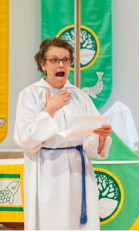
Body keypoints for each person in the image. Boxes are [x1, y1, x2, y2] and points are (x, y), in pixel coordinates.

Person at [14, 37, 113, 230]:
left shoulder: (80, 96)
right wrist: (49, 110)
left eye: (66, 60)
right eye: (55, 60)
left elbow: (90, 145)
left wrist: (101, 137)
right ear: (43, 64)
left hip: (78, 171)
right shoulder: (30, 95)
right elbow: (25, 139)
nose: (61, 64)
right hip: (47, 171)